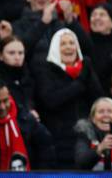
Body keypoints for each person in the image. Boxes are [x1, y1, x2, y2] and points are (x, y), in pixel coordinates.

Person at [32, 28, 103, 168]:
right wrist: (79, 82)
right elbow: (51, 100)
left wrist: (87, 75)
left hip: (86, 137)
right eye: (63, 44)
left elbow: (98, 99)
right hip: (58, 139)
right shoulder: (46, 70)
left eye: (72, 43)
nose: (69, 47)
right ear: (55, 48)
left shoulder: (85, 68)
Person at [0, 82, 56, 170]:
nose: (2, 107)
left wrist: (39, 175)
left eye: (5, 101)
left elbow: (45, 146)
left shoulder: (24, 118)